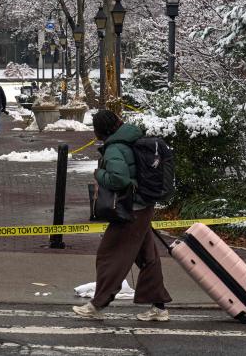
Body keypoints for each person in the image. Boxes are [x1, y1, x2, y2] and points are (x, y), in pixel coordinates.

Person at [72, 110, 172, 321]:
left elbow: (118, 179)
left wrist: (98, 173)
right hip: (143, 206)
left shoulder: (115, 148)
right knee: (148, 257)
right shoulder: (132, 137)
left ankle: (97, 304)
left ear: (101, 130)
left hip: (131, 210)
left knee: (110, 255)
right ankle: (159, 307)